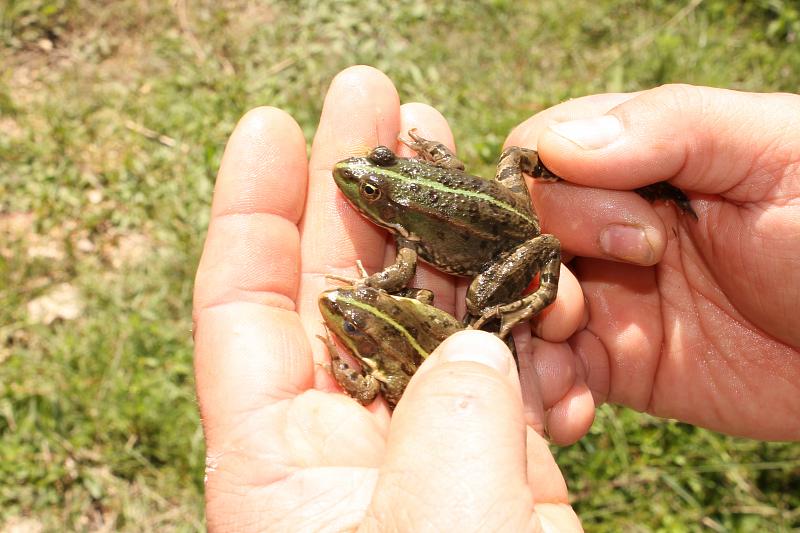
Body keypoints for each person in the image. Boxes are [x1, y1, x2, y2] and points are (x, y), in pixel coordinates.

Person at [192, 66, 800, 530]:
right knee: (515, 161)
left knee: (484, 292)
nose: (357, 178)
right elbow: (448, 167)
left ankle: (523, 300)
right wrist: (430, 158)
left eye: (374, 181)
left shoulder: (404, 240)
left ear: (388, 202)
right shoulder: (419, 189)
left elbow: (401, 272)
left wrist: (372, 291)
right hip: (505, 203)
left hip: (499, 248)